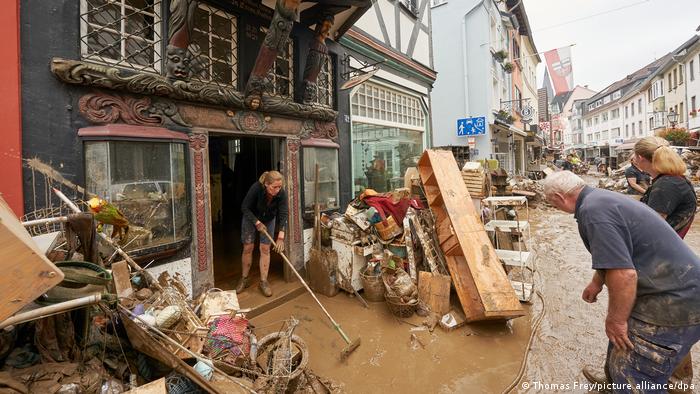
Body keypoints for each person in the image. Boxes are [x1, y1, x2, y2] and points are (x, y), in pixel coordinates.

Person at [543, 171, 700, 391]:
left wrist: (615, 320)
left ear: (559, 198)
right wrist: (597, 282)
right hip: (680, 287)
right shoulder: (600, 199)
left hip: (674, 301)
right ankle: (613, 381)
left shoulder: (593, 211)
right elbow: (618, 253)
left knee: (637, 376)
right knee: (621, 346)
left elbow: (625, 274)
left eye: (551, 203)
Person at [236, 171, 288, 297]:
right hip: (251, 218)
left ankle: (263, 281)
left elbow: (283, 213)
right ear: (266, 184)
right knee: (248, 247)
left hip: (269, 219)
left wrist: (281, 237)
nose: (277, 190)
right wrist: (257, 222)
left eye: (279, 187)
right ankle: (244, 278)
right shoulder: (256, 188)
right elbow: (244, 207)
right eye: (274, 187)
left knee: (265, 249)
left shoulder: (281, 193)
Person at [634, 136, 696, 238]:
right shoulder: (672, 180)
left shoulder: (666, 185)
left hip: (661, 250)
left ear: (640, 158)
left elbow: (653, 227)